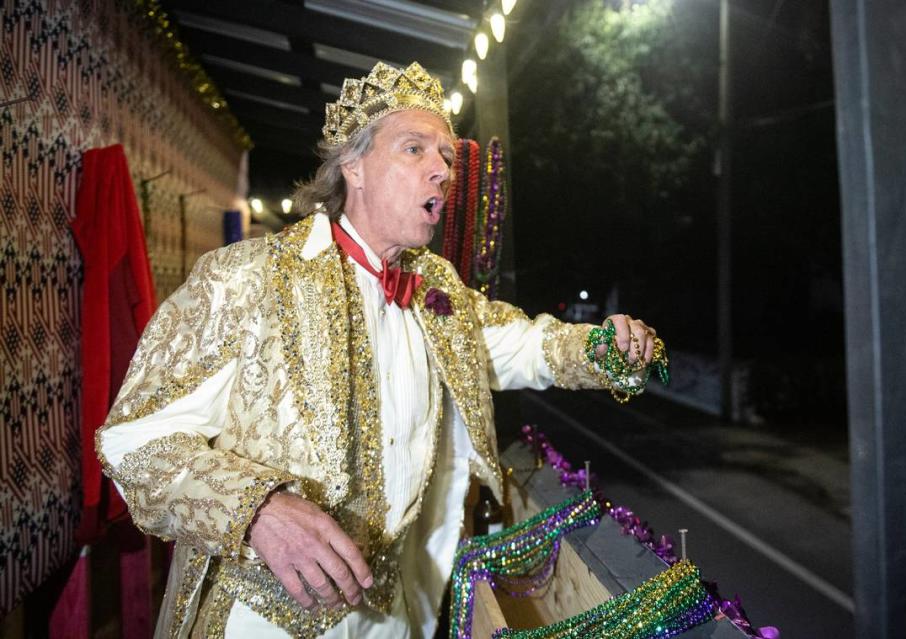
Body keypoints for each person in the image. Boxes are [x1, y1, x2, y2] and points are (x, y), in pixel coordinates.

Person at [96, 61, 659, 638]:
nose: (441, 171)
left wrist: (603, 346)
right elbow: (132, 439)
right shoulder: (247, 278)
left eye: (446, 156)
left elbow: (519, 344)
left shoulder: (437, 290)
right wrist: (256, 511)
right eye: (415, 149)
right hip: (260, 621)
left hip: (396, 618)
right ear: (353, 164)